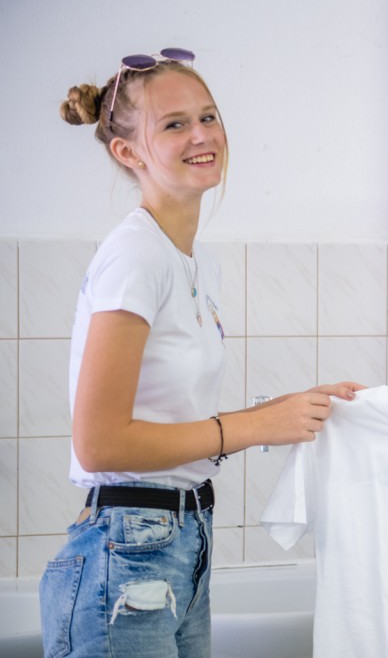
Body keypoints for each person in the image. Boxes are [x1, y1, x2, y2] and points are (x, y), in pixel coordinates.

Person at [40, 48, 364, 657]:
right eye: (174, 124)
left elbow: (167, 414)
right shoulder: (136, 256)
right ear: (128, 153)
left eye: (208, 116)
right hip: (129, 549)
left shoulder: (192, 261)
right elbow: (99, 443)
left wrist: (289, 410)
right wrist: (255, 427)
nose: (202, 135)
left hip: (181, 537)